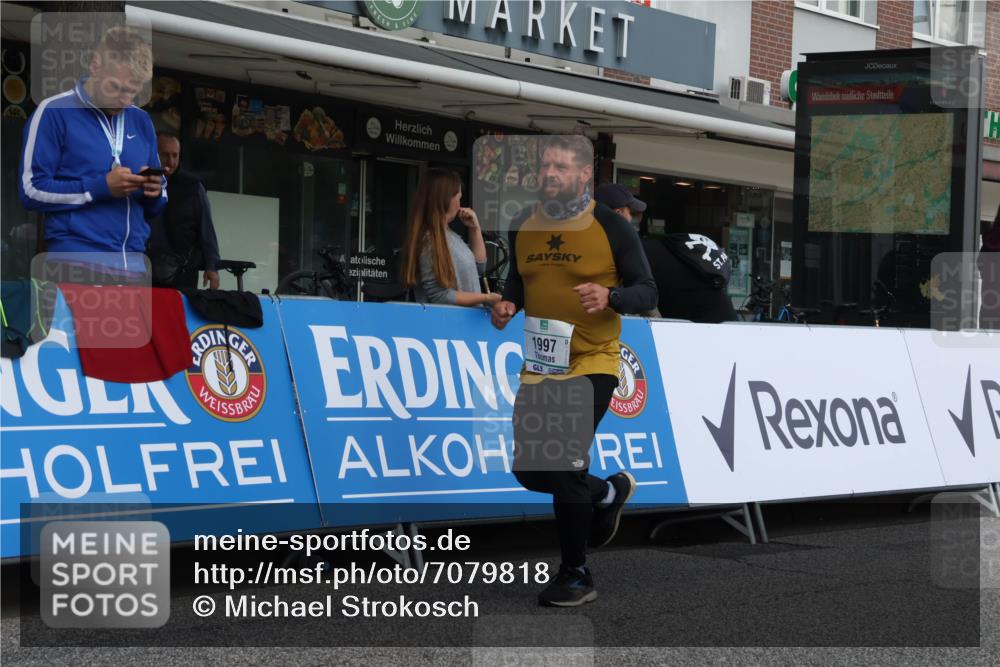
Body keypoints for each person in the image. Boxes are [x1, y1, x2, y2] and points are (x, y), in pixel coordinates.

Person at [491, 136, 657, 607]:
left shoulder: (611, 227)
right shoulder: (524, 222)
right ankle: (604, 493)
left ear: (585, 175)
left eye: (561, 167)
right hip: (542, 364)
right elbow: (519, 281)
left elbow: (647, 289)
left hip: (593, 360)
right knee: (529, 469)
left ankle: (576, 573)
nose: (550, 174)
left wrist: (612, 298)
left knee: (561, 462)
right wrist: (507, 304)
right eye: (545, 165)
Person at [18, 26, 166, 279]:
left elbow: (160, 198)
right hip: (75, 264)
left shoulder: (141, 121)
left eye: (134, 91)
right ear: (95, 66)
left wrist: (154, 192)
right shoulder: (53, 112)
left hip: (134, 267)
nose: (125, 100)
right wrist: (100, 187)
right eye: (117, 88)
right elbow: (31, 191)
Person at [595, 183, 737, 324]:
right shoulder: (649, 248)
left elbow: (648, 306)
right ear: (618, 214)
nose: (632, 220)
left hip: (710, 329)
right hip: (723, 324)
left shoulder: (635, 251)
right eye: (631, 213)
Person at [401, 168, 500, 307]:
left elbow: (479, 267)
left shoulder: (450, 236)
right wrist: (486, 298)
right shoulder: (429, 241)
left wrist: (475, 229)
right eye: (459, 198)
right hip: (448, 324)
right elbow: (440, 296)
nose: (460, 204)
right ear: (446, 199)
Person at [149, 132, 221, 289]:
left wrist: (212, 265)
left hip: (183, 270)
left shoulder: (193, 186)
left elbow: (206, 226)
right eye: (165, 155)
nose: (171, 161)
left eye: (175, 155)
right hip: (147, 268)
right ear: (154, 153)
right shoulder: (144, 180)